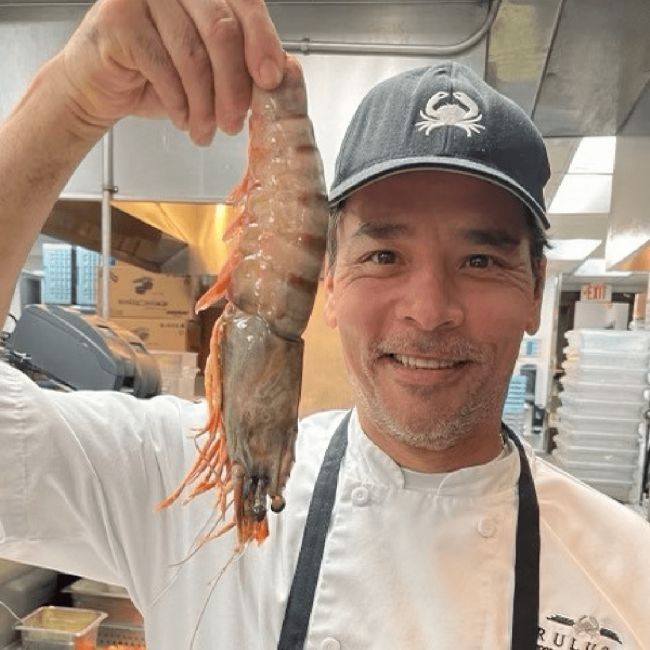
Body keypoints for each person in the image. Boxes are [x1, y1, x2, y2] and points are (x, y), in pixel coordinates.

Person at [1, 1, 649, 649]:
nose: (428, 310)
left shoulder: (632, 576)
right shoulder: (174, 474)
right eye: (384, 255)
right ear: (331, 283)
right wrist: (69, 100)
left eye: (480, 259)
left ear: (536, 288)